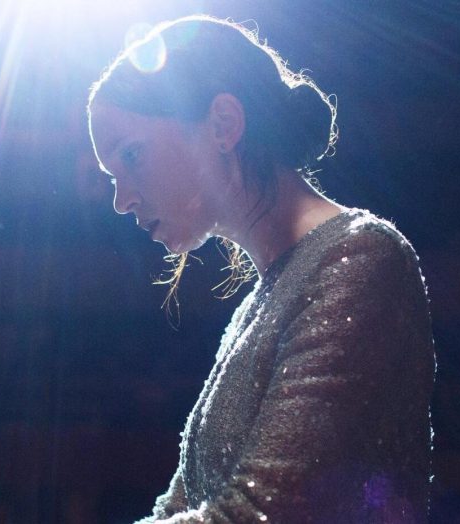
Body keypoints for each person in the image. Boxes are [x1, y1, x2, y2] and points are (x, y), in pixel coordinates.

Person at [87, 15, 435, 523]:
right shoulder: (258, 305)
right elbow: (182, 506)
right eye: (112, 176)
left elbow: (262, 511)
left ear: (223, 124)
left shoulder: (361, 259)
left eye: (132, 155)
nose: (121, 201)